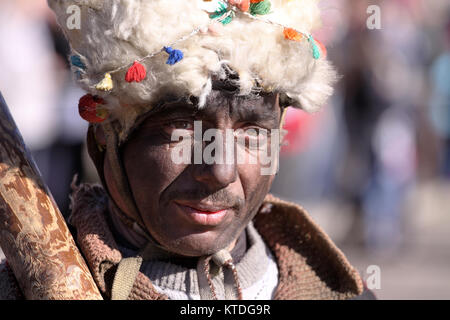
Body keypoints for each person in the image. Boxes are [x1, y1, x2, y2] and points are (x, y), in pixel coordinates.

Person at [0, 0, 374, 300]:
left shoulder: (339, 291)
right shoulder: (22, 290)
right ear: (104, 139)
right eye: (180, 129)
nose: (220, 171)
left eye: (252, 133)